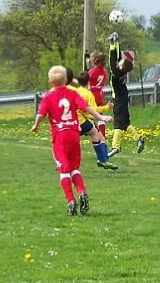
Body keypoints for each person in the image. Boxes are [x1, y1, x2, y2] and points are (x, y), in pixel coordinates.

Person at [31, 65, 113, 216]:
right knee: (74, 168)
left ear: (50, 82)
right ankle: (82, 192)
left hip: (60, 136)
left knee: (63, 169)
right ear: (66, 80)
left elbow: (41, 114)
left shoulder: (49, 97)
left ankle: (70, 201)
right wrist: (101, 117)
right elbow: (86, 107)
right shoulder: (72, 93)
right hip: (74, 134)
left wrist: (36, 126)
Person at [66, 69, 118, 170]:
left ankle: (63, 160)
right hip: (84, 120)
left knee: (72, 140)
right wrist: (107, 107)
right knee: (97, 135)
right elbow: (93, 110)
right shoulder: (88, 94)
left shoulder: (77, 90)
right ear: (89, 82)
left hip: (72, 120)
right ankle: (103, 160)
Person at [107, 33, 145, 157]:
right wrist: (115, 43)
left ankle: (115, 147)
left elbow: (112, 60)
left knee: (118, 123)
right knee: (124, 123)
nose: (119, 62)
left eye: (121, 62)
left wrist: (112, 45)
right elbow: (117, 57)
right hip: (123, 97)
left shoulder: (116, 72)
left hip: (119, 100)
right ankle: (138, 138)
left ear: (121, 67)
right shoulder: (121, 70)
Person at [87, 52, 108, 137]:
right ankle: (102, 133)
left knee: (87, 113)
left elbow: (86, 80)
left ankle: (90, 130)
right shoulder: (104, 72)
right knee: (100, 116)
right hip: (100, 94)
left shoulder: (92, 72)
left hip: (92, 95)